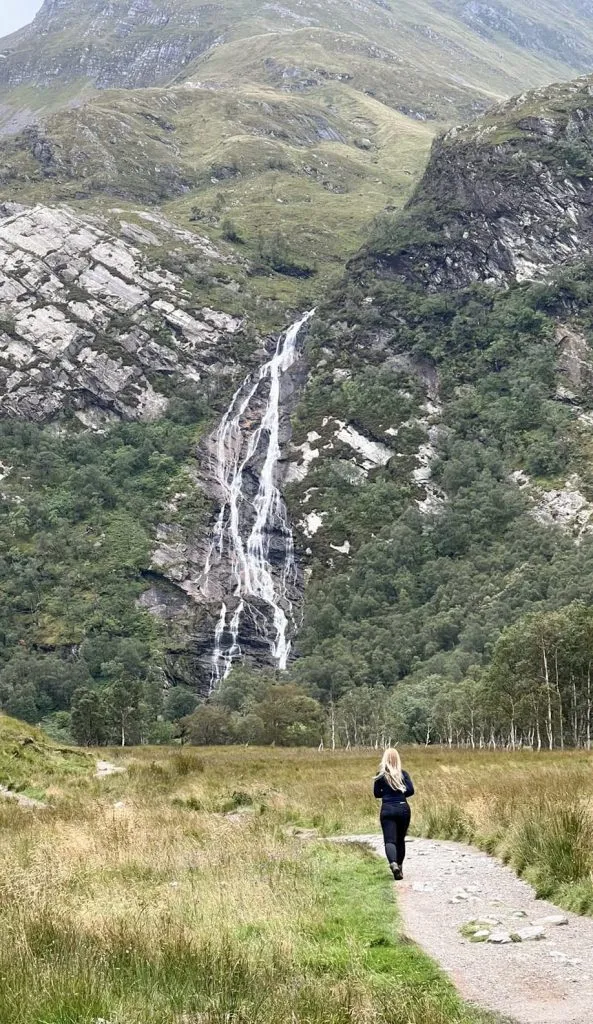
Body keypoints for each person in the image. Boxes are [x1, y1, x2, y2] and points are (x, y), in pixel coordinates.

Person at [373, 747, 414, 881]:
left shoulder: (380, 775)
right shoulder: (403, 774)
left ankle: (393, 864)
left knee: (390, 840)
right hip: (403, 808)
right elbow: (411, 791)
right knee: (400, 839)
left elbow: (376, 794)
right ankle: (400, 867)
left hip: (387, 809)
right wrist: (400, 793)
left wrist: (386, 793)